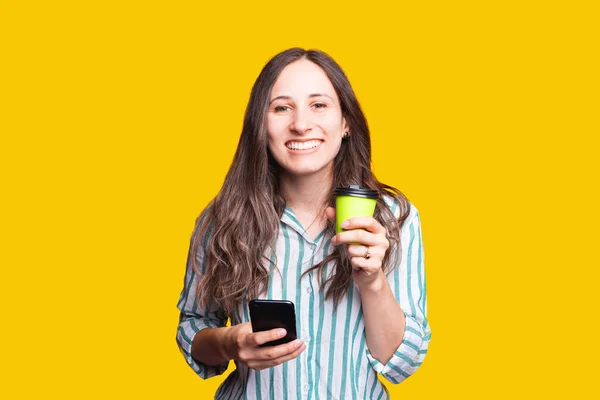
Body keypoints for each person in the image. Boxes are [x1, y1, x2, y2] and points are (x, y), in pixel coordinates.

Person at [176, 47, 430, 399]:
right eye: (282, 107)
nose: (300, 123)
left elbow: (401, 363)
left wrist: (372, 281)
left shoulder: (394, 217)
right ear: (260, 125)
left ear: (345, 124)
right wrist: (230, 342)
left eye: (319, 105)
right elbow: (194, 328)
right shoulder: (221, 219)